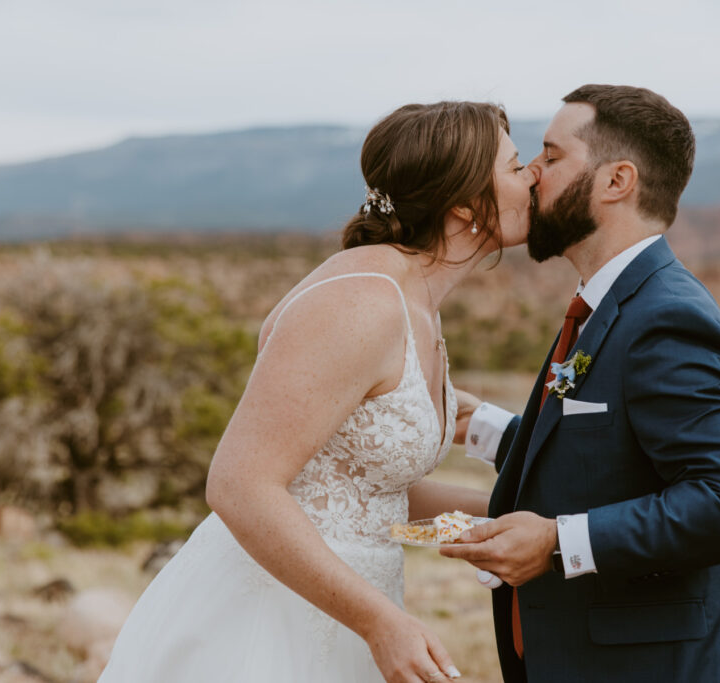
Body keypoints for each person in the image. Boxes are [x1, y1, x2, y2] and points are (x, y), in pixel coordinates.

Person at [98, 101, 536, 683]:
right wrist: (380, 622)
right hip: (265, 622)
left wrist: (524, 518)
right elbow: (239, 485)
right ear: (462, 202)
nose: (531, 176)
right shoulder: (362, 303)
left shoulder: (415, 304)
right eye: (514, 165)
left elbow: (369, 498)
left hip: (341, 613)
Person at [441, 85, 720, 682]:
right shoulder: (610, 302)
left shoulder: (665, 318)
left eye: (550, 156)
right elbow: (609, 445)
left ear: (616, 181)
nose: (531, 176)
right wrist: (483, 427)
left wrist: (556, 541)